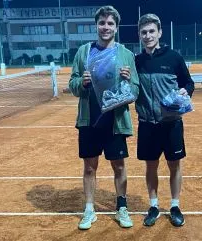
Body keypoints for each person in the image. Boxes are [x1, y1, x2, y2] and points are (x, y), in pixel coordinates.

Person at [68, 5, 139, 230]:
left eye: (110, 23)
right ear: (96, 25)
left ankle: (121, 207)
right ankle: (89, 209)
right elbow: (72, 84)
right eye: (102, 23)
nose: (105, 27)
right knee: (90, 167)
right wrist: (82, 83)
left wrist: (128, 82)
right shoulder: (83, 52)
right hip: (90, 119)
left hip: (114, 121)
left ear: (116, 28)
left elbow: (135, 90)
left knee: (118, 165)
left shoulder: (126, 54)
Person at [135, 13, 194, 227]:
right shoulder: (137, 61)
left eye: (152, 31)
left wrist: (185, 92)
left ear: (159, 32)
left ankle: (175, 205)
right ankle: (153, 205)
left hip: (171, 124)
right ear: (140, 35)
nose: (148, 35)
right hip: (147, 124)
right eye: (144, 32)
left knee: (174, 165)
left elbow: (188, 83)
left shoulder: (174, 57)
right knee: (151, 166)